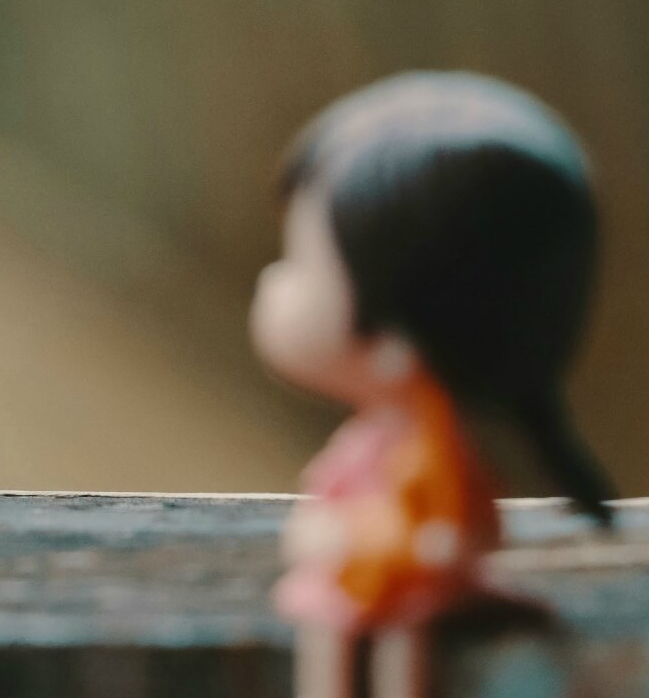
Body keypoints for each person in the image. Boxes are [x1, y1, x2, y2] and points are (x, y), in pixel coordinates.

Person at [250, 72, 613, 686]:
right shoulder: (381, 447)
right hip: (363, 582)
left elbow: (464, 534)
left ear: (398, 342)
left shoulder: (434, 456)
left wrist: (381, 544)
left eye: (301, 265)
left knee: (407, 643)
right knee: (330, 635)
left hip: (408, 590)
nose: (272, 284)